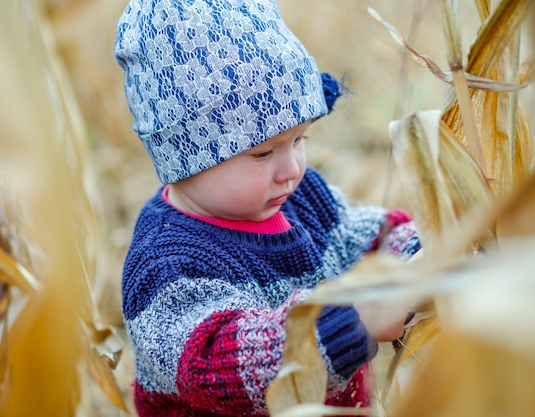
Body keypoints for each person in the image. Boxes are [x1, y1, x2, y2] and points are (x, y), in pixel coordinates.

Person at [114, 0, 420, 415]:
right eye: (263, 153)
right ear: (185, 159)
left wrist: (421, 252)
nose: (291, 168)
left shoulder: (298, 194)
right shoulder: (166, 265)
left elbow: (356, 237)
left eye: (300, 140)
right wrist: (355, 320)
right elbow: (223, 366)